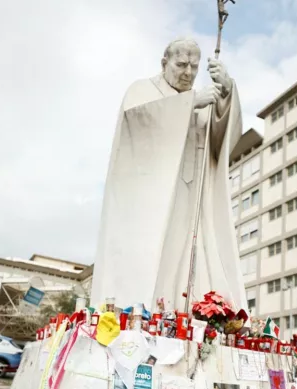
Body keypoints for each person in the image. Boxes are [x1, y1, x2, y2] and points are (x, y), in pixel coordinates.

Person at [92, 37, 245, 311]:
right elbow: (137, 125)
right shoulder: (142, 91)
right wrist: (189, 104)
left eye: (194, 67)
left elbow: (222, 142)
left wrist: (226, 93)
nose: (188, 72)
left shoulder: (201, 101)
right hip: (150, 203)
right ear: (164, 62)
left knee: (186, 261)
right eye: (181, 64)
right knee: (153, 258)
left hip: (190, 198)